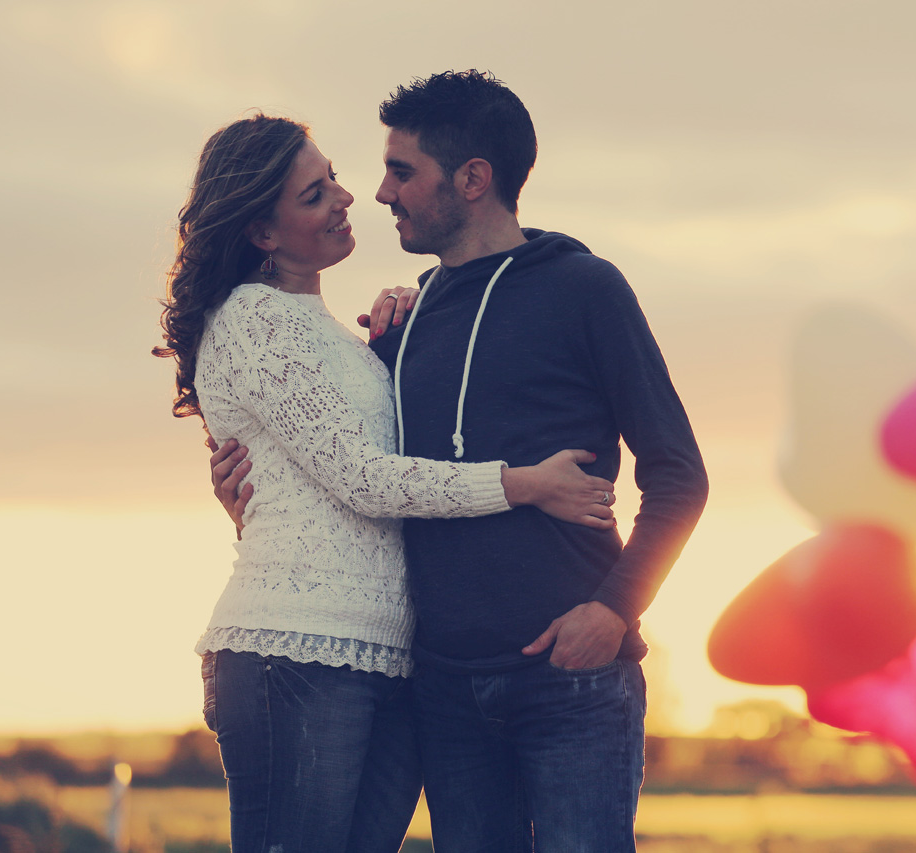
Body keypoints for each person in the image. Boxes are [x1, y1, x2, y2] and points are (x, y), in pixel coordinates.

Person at [154, 113, 618, 853]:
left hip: (389, 655)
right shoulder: (251, 320)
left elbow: (321, 468)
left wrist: (403, 332)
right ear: (262, 235)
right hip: (296, 655)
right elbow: (364, 479)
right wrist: (524, 484)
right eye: (314, 195)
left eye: (332, 174)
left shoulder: (337, 332)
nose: (347, 197)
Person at [367, 70, 709, 851]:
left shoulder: (586, 289)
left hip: (574, 683)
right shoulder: (402, 323)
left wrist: (615, 609)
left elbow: (679, 473)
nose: (382, 193)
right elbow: (380, 481)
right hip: (445, 691)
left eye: (402, 171)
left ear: (474, 179)